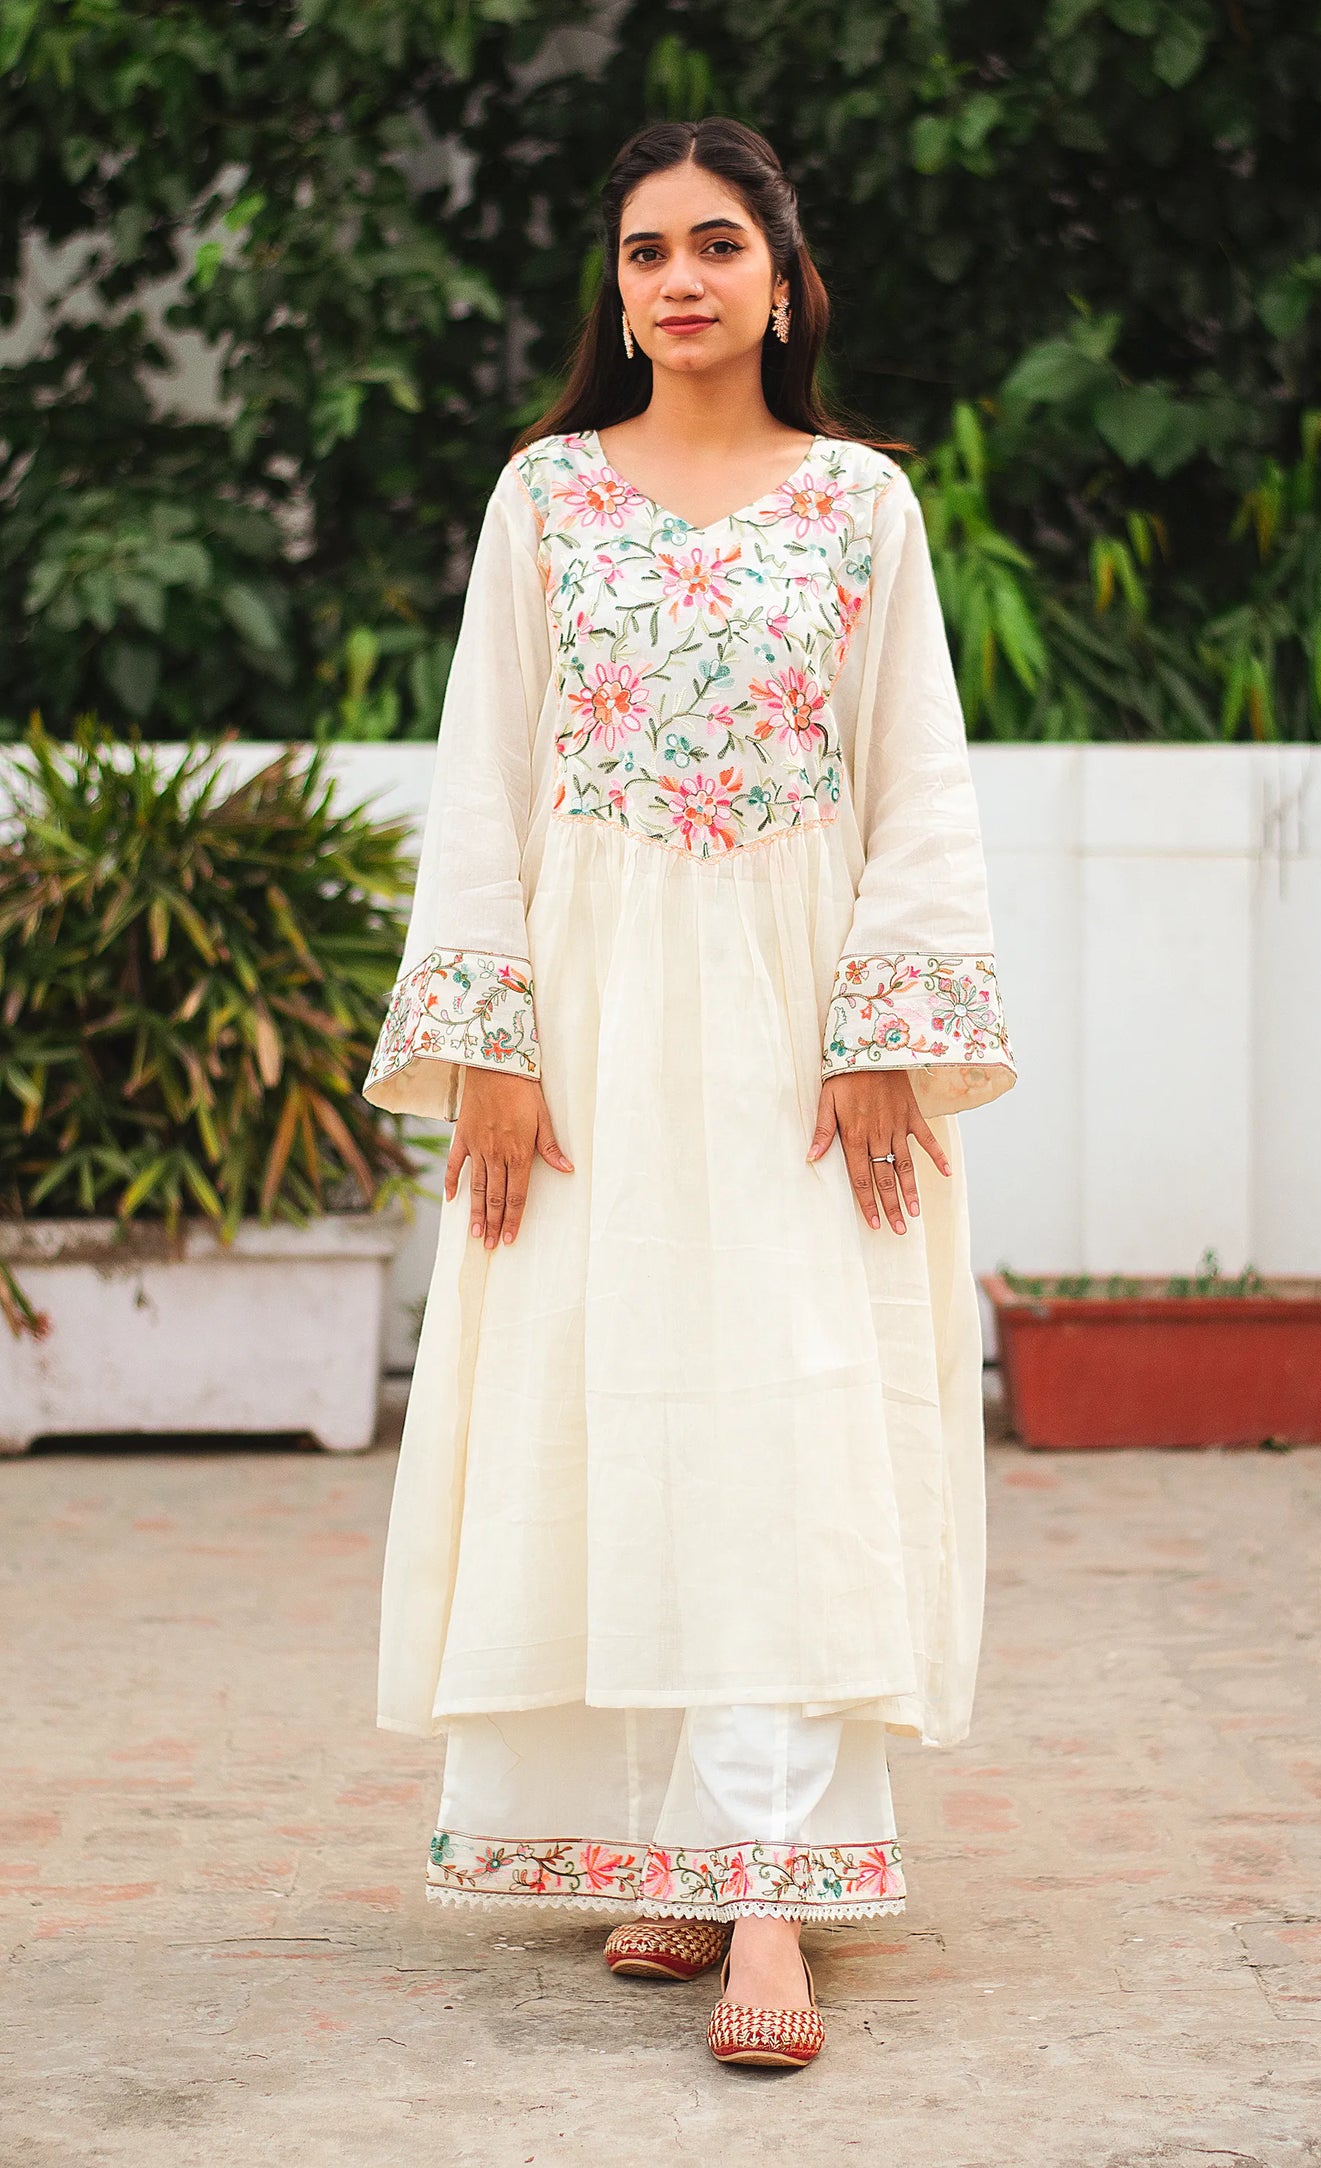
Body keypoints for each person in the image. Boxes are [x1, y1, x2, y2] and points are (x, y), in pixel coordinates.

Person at [362, 114, 1016, 2073]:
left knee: (792, 1417)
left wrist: (889, 1026)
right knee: (617, 1396)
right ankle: (677, 1831)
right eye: (648, 249)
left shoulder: (857, 510)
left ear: (783, 280)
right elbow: (480, 775)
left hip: (806, 1026)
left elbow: (922, 777)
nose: (681, 278)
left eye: (718, 243)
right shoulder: (546, 498)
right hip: (587, 1030)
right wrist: (483, 1042)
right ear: (619, 289)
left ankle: (777, 1894)